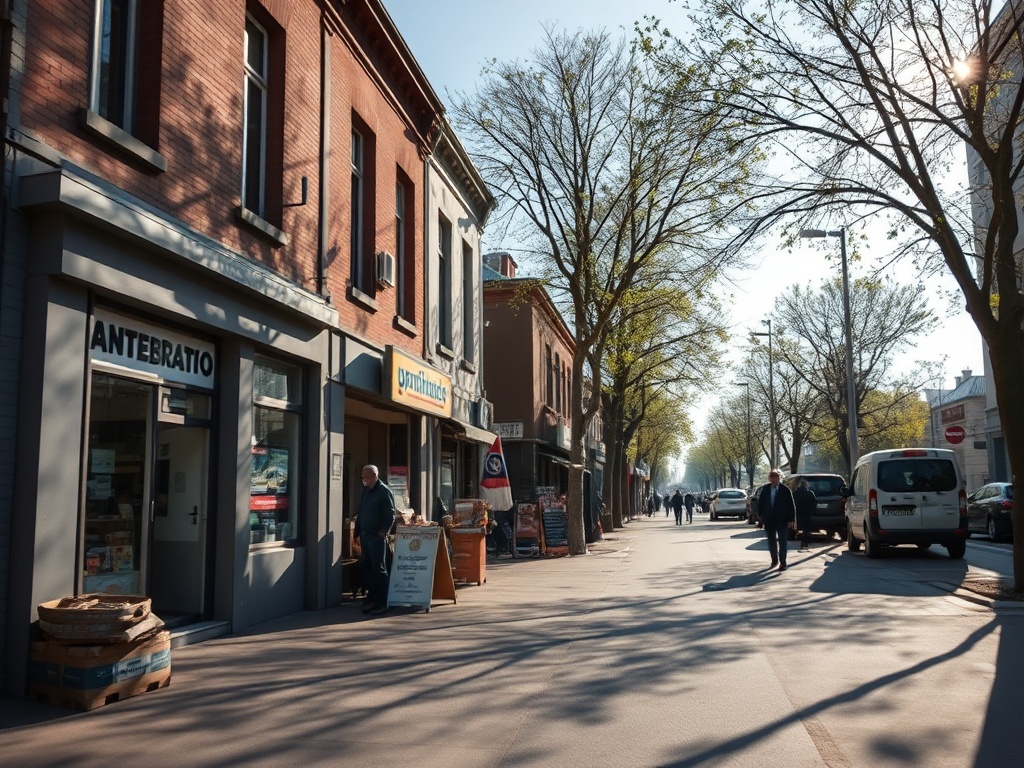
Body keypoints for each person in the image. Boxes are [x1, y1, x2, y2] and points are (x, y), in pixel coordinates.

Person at [354, 464, 396, 614]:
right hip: (365, 536)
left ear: (373, 476)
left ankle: (382, 601)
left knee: (379, 568)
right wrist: (357, 533)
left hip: (376, 537)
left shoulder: (384, 491)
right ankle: (372, 596)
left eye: (365, 477)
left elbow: (390, 514)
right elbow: (361, 511)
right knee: (365, 566)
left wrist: (383, 532)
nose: (363, 480)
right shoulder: (367, 491)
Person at [756, 468, 796, 570]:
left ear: (779, 478)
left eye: (776, 477)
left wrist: (792, 520)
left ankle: (783, 562)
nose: (774, 480)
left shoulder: (785, 490)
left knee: (782, 541)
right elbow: (761, 503)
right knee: (771, 541)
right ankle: (774, 560)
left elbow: (791, 506)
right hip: (769, 520)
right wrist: (760, 515)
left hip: (782, 520)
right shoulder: (765, 489)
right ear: (769, 479)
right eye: (772, 477)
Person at [793, 478, 817, 552]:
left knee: (801, 527)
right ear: (806, 485)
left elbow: (792, 503)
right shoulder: (810, 493)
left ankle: (802, 541)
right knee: (807, 528)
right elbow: (814, 503)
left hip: (799, 513)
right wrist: (813, 510)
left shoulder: (795, 493)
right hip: (808, 513)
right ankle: (806, 542)